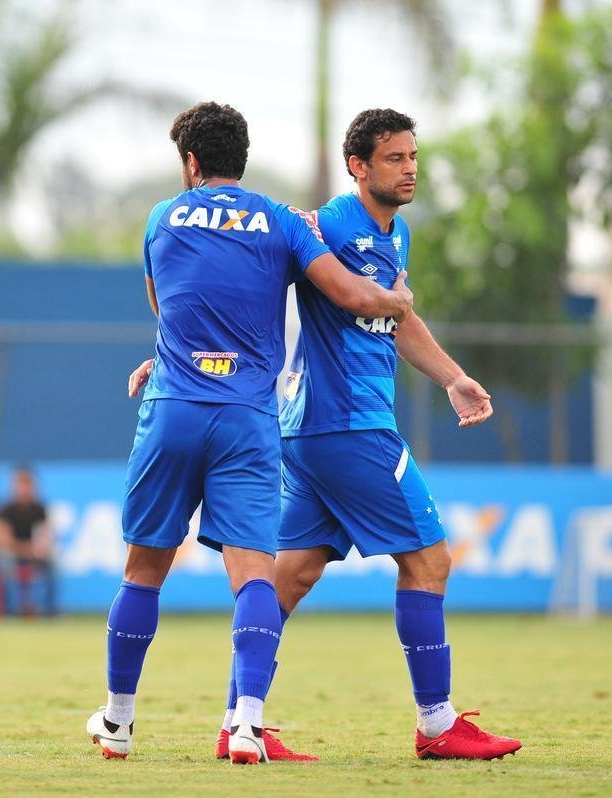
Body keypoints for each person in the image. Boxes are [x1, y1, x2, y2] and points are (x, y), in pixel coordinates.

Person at [131, 109, 520, 761]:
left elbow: (394, 315)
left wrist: (452, 377)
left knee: (288, 578)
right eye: (394, 158)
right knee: (429, 562)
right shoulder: (330, 223)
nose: (409, 169)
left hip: (306, 433)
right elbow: (255, 277)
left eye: (413, 157)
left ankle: (240, 722)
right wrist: (176, 356)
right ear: (357, 167)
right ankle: (438, 725)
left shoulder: (394, 234)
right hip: (351, 426)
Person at [85, 101, 414, 764]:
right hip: (246, 418)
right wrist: (395, 299)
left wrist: (163, 359)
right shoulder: (283, 221)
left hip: (174, 407)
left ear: (191, 161)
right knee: (255, 575)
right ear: (242, 157)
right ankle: (246, 726)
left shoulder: (161, 217)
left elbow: (168, 309)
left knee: (144, 570)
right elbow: (350, 294)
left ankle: (118, 719)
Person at [0, 465, 57, 617]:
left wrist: (37, 550)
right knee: (4, 561)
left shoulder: (39, 510)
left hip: (33, 552)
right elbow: (1, 540)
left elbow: (46, 535)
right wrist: (25, 550)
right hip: (13, 553)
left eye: (28, 484)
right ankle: (8, 610)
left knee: (53, 563)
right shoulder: (5, 510)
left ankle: (49, 610)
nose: (24, 489)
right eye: (21, 484)